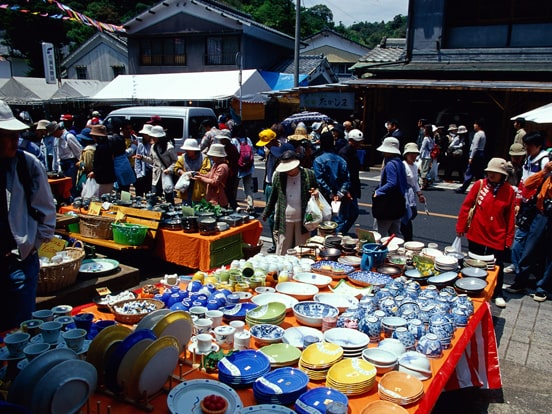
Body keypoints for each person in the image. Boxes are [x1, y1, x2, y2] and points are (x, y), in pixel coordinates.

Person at [0, 100, 56, 331]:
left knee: (21, 329)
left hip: (18, 261)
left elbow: (46, 210)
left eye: (17, 135)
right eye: (8, 135)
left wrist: (32, 245)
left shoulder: (26, 164)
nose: (16, 140)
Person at [456, 158, 516, 308]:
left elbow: (510, 218)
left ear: (503, 175)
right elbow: (466, 206)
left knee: (497, 266)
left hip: (497, 235)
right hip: (477, 231)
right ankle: (471, 289)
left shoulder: (509, 191)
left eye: (495, 173)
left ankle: (497, 292)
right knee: (473, 262)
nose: (491, 175)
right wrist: (461, 227)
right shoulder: (480, 185)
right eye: (489, 171)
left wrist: (509, 239)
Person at [505, 132, 550, 288]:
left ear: (537, 145)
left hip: (539, 208)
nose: (526, 148)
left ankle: (523, 277)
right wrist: (518, 200)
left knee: (530, 243)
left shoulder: (545, 161)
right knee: (520, 239)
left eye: (528, 146)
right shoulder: (529, 159)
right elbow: (524, 182)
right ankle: (518, 269)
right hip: (526, 204)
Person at [262, 150, 318, 255]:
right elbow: (273, 195)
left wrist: (315, 192)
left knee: (302, 248)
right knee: (282, 246)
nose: (288, 171)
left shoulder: (308, 174)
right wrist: (267, 212)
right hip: (285, 217)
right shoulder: (279, 176)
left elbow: (317, 189)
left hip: (304, 217)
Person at [514, 160, 552, 302]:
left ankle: (542, 288)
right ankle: (520, 282)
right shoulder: (546, 176)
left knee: (550, 255)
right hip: (541, 215)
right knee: (529, 249)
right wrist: (544, 171)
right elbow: (528, 184)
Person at [312, 132, 350, 225]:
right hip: (338, 196)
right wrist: (340, 193)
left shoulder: (318, 160)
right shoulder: (342, 160)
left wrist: (330, 193)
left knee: (320, 222)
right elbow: (347, 179)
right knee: (336, 222)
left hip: (323, 196)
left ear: (321, 143)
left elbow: (319, 179)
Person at [373, 137, 408, 237]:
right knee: (396, 232)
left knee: (381, 232)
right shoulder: (399, 163)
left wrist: (378, 191)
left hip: (388, 204)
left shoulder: (390, 164)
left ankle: (381, 251)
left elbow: (391, 183)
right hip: (398, 201)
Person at [135, 125, 178, 204]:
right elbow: (152, 160)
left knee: (168, 195)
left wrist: (169, 169)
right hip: (156, 175)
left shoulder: (169, 147)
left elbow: (176, 161)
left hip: (166, 174)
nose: (153, 138)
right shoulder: (153, 147)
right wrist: (142, 158)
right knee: (154, 195)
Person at [337, 128, 363, 235]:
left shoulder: (353, 151)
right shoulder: (344, 153)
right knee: (343, 215)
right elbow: (343, 174)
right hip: (347, 188)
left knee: (353, 213)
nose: (359, 144)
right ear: (351, 140)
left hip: (353, 186)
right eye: (357, 142)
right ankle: (337, 235)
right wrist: (345, 191)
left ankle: (341, 233)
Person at [401, 143, 426, 242]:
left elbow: (415, 182)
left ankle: (405, 237)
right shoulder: (403, 165)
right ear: (406, 154)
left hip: (411, 194)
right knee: (405, 217)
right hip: (404, 194)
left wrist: (420, 194)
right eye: (410, 153)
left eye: (415, 154)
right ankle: (407, 240)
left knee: (411, 214)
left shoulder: (415, 166)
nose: (413, 156)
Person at [51, 120, 83, 198]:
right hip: (63, 163)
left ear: (58, 130)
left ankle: (74, 199)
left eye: (53, 133)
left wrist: (80, 162)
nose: (53, 135)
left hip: (71, 163)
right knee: (64, 185)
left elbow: (78, 151)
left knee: (71, 184)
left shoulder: (69, 137)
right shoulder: (57, 139)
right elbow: (58, 153)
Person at [174, 138, 210, 203]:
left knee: (198, 208)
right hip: (186, 187)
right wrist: (181, 172)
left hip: (198, 187)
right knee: (186, 207)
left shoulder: (204, 158)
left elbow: (206, 172)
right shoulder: (183, 157)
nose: (186, 151)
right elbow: (177, 167)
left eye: (188, 150)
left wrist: (195, 174)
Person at [456, 120, 486, 194]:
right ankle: (483, 187)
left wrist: (471, 157)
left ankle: (463, 188)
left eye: (475, 124)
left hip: (476, 154)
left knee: (470, 171)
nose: (474, 125)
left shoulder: (478, 134)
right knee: (479, 172)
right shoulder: (483, 133)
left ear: (478, 126)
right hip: (481, 153)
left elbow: (475, 146)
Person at [232, 125, 255, 212]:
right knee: (248, 187)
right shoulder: (247, 139)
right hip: (248, 167)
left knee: (234, 187)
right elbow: (252, 151)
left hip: (238, 168)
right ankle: (250, 205)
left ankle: (234, 204)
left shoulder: (234, 140)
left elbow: (234, 154)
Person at [134, 124, 153, 198]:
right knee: (139, 193)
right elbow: (137, 160)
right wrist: (138, 173)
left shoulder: (154, 146)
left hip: (152, 172)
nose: (145, 136)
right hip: (143, 172)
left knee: (150, 194)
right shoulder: (141, 145)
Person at [419, 124, 435, 190]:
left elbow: (422, 148)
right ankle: (424, 183)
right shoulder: (431, 138)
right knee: (425, 170)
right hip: (429, 156)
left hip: (425, 156)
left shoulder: (426, 138)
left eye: (425, 129)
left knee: (423, 171)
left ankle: (423, 184)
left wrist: (418, 155)